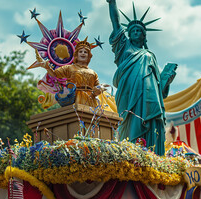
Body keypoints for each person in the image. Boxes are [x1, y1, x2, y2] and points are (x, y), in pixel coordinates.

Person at [107, 0, 177, 155]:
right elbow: (116, 23)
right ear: (129, 35)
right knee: (131, 124)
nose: (136, 32)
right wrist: (112, 3)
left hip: (150, 98)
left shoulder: (150, 55)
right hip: (128, 94)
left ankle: (151, 155)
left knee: (151, 122)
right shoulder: (124, 47)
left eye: (139, 31)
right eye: (133, 31)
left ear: (144, 36)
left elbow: (159, 87)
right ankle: (130, 156)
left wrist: (167, 82)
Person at [36, 38, 102, 108]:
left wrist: (98, 90)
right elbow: (55, 74)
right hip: (74, 98)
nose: (83, 53)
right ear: (76, 55)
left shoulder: (93, 72)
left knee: (91, 117)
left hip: (90, 99)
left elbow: (97, 86)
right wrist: (47, 67)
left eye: (85, 52)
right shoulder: (69, 68)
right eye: (80, 52)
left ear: (89, 56)